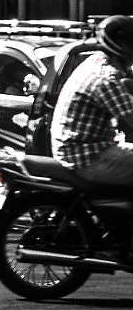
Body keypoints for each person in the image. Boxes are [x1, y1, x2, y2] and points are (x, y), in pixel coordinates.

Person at [50, 15, 133, 185]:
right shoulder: (106, 77)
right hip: (87, 156)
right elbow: (130, 117)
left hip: (77, 149)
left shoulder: (96, 61)